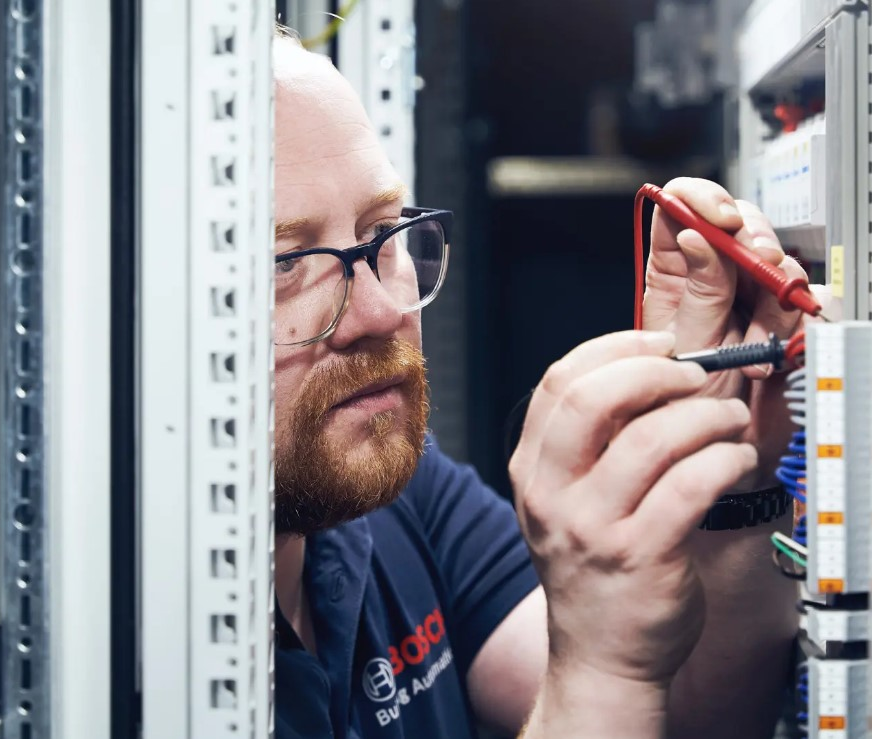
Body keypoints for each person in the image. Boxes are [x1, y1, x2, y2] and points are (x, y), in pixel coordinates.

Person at [272, 33, 815, 738]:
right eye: (285, 263)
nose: (380, 311)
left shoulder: (398, 498)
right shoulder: (157, 664)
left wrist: (737, 480)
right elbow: (604, 687)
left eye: (380, 231)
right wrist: (595, 674)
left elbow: (681, 720)